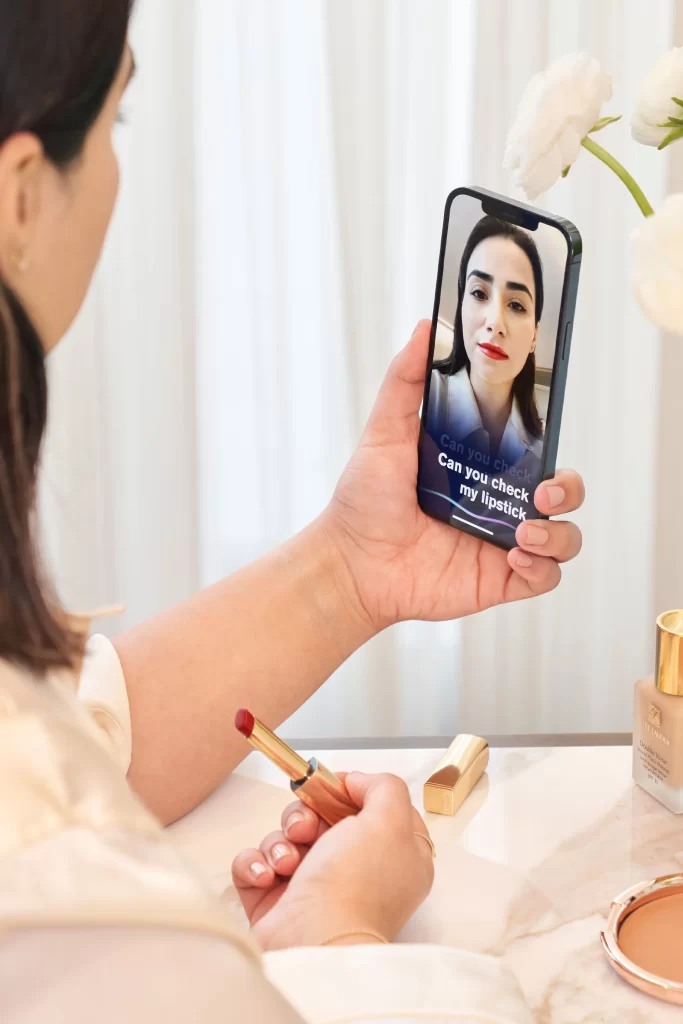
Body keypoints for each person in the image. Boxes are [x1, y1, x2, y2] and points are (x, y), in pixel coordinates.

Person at [0, 3, 584, 1021]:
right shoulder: (48, 869)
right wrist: (338, 928)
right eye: (115, 128)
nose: (490, 319)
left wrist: (352, 567)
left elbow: (79, 728)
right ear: (18, 197)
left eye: (517, 301)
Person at [421, 217, 551, 543]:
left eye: (517, 305)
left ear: (535, 336)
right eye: (479, 293)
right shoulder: (422, 402)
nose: (495, 322)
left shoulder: (540, 451)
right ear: (461, 304)